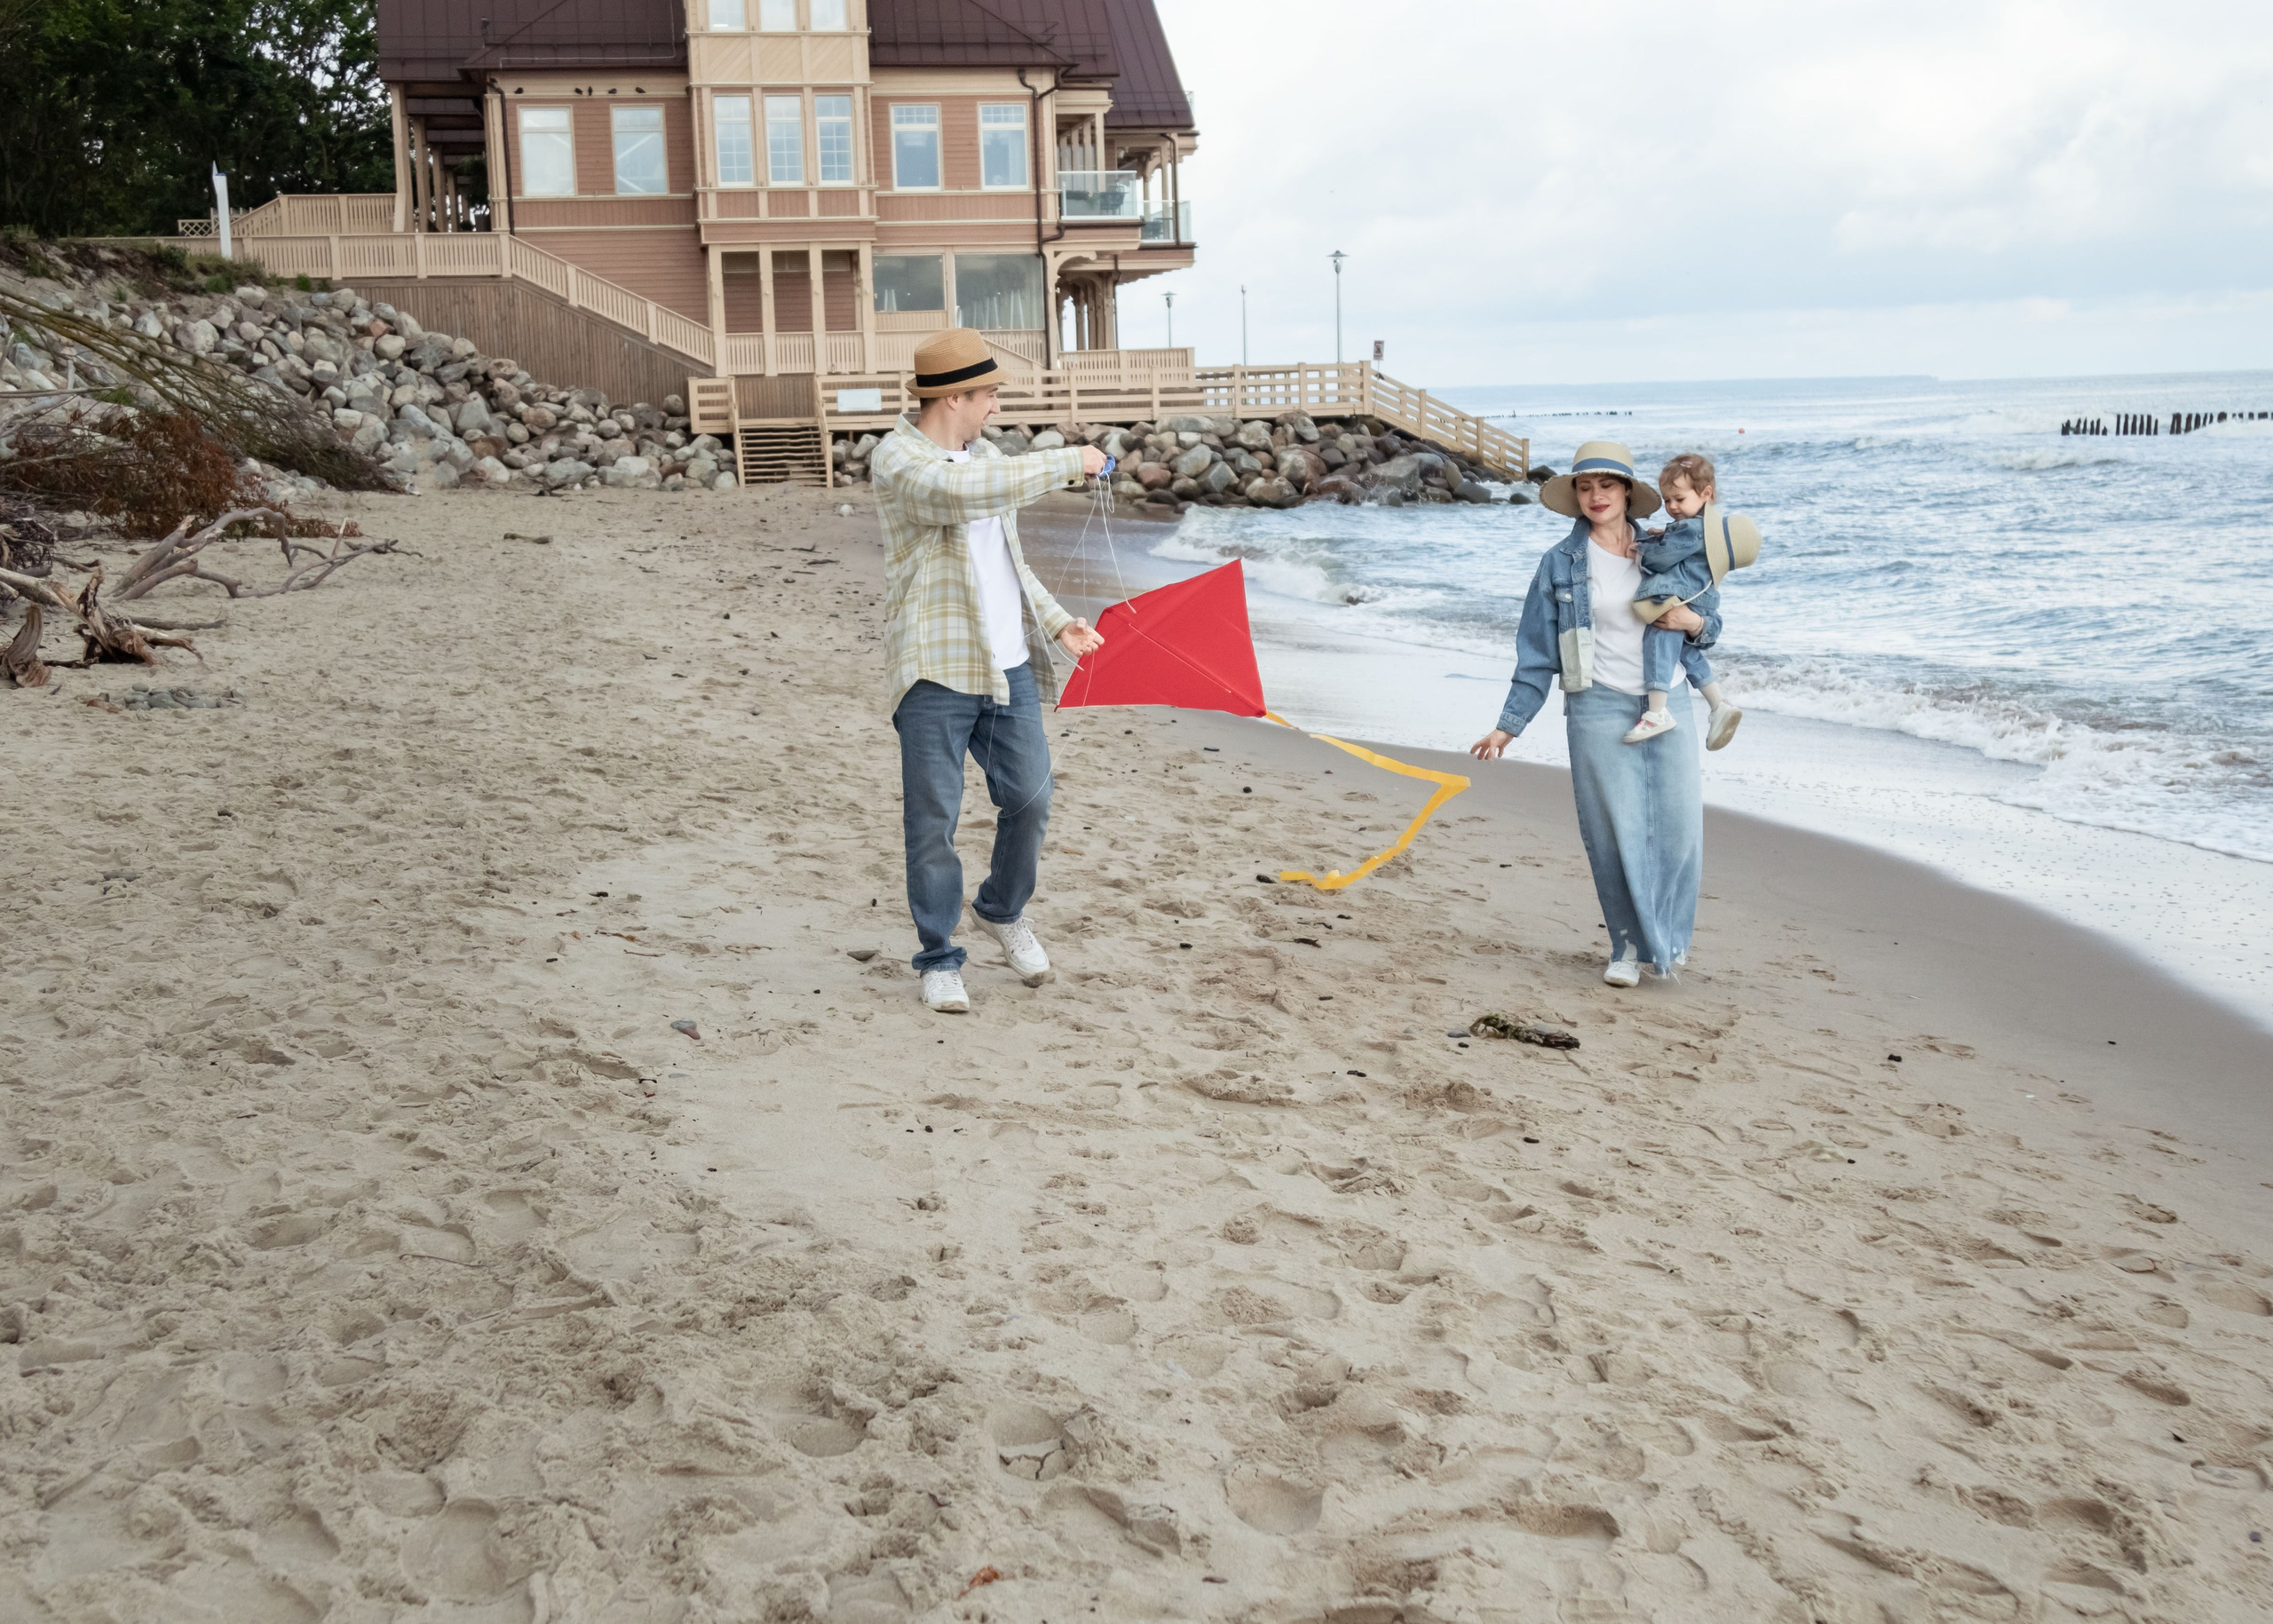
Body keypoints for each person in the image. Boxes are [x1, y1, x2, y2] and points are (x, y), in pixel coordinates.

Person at [870, 329, 1108, 1013]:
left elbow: (1008, 557)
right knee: (933, 822)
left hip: (1009, 664)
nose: (996, 407)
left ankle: (1001, 910)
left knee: (1031, 799)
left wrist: (1056, 619)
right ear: (953, 397)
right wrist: (1072, 461)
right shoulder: (902, 462)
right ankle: (939, 956)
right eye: (989, 394)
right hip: (936, 669)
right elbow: (966, 494)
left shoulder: (987, 456)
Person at [1469, 440, 1713, 986]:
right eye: (1585, 486)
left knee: (1680, 830)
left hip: (1667, 698)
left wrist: (1693, 626)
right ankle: (1626, 946)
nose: (1596, 496)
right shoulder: (1559, 564)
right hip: (1596, 703)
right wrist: (1509, 725)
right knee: (1613, 832)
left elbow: (1711, 626)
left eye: (1607, 485)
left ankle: (1669, 942)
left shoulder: (1667, 549)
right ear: (1575, 495)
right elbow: (1536, 653)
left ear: (1628, 492)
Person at [1624, 452, 1743, 750]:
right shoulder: (1702, 527)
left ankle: (1657, 711)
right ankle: (1718, 703)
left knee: (1658, 639)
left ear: (1706, 494)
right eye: (1666, 500)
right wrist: (1664, 533)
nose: (1672, 507)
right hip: (1700, 598)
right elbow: (1681, 543)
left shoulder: (1690, 529)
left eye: (1679, 499)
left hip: (1683, 597)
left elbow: (1664, 558)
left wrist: (1640, 550)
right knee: (1686, 655)